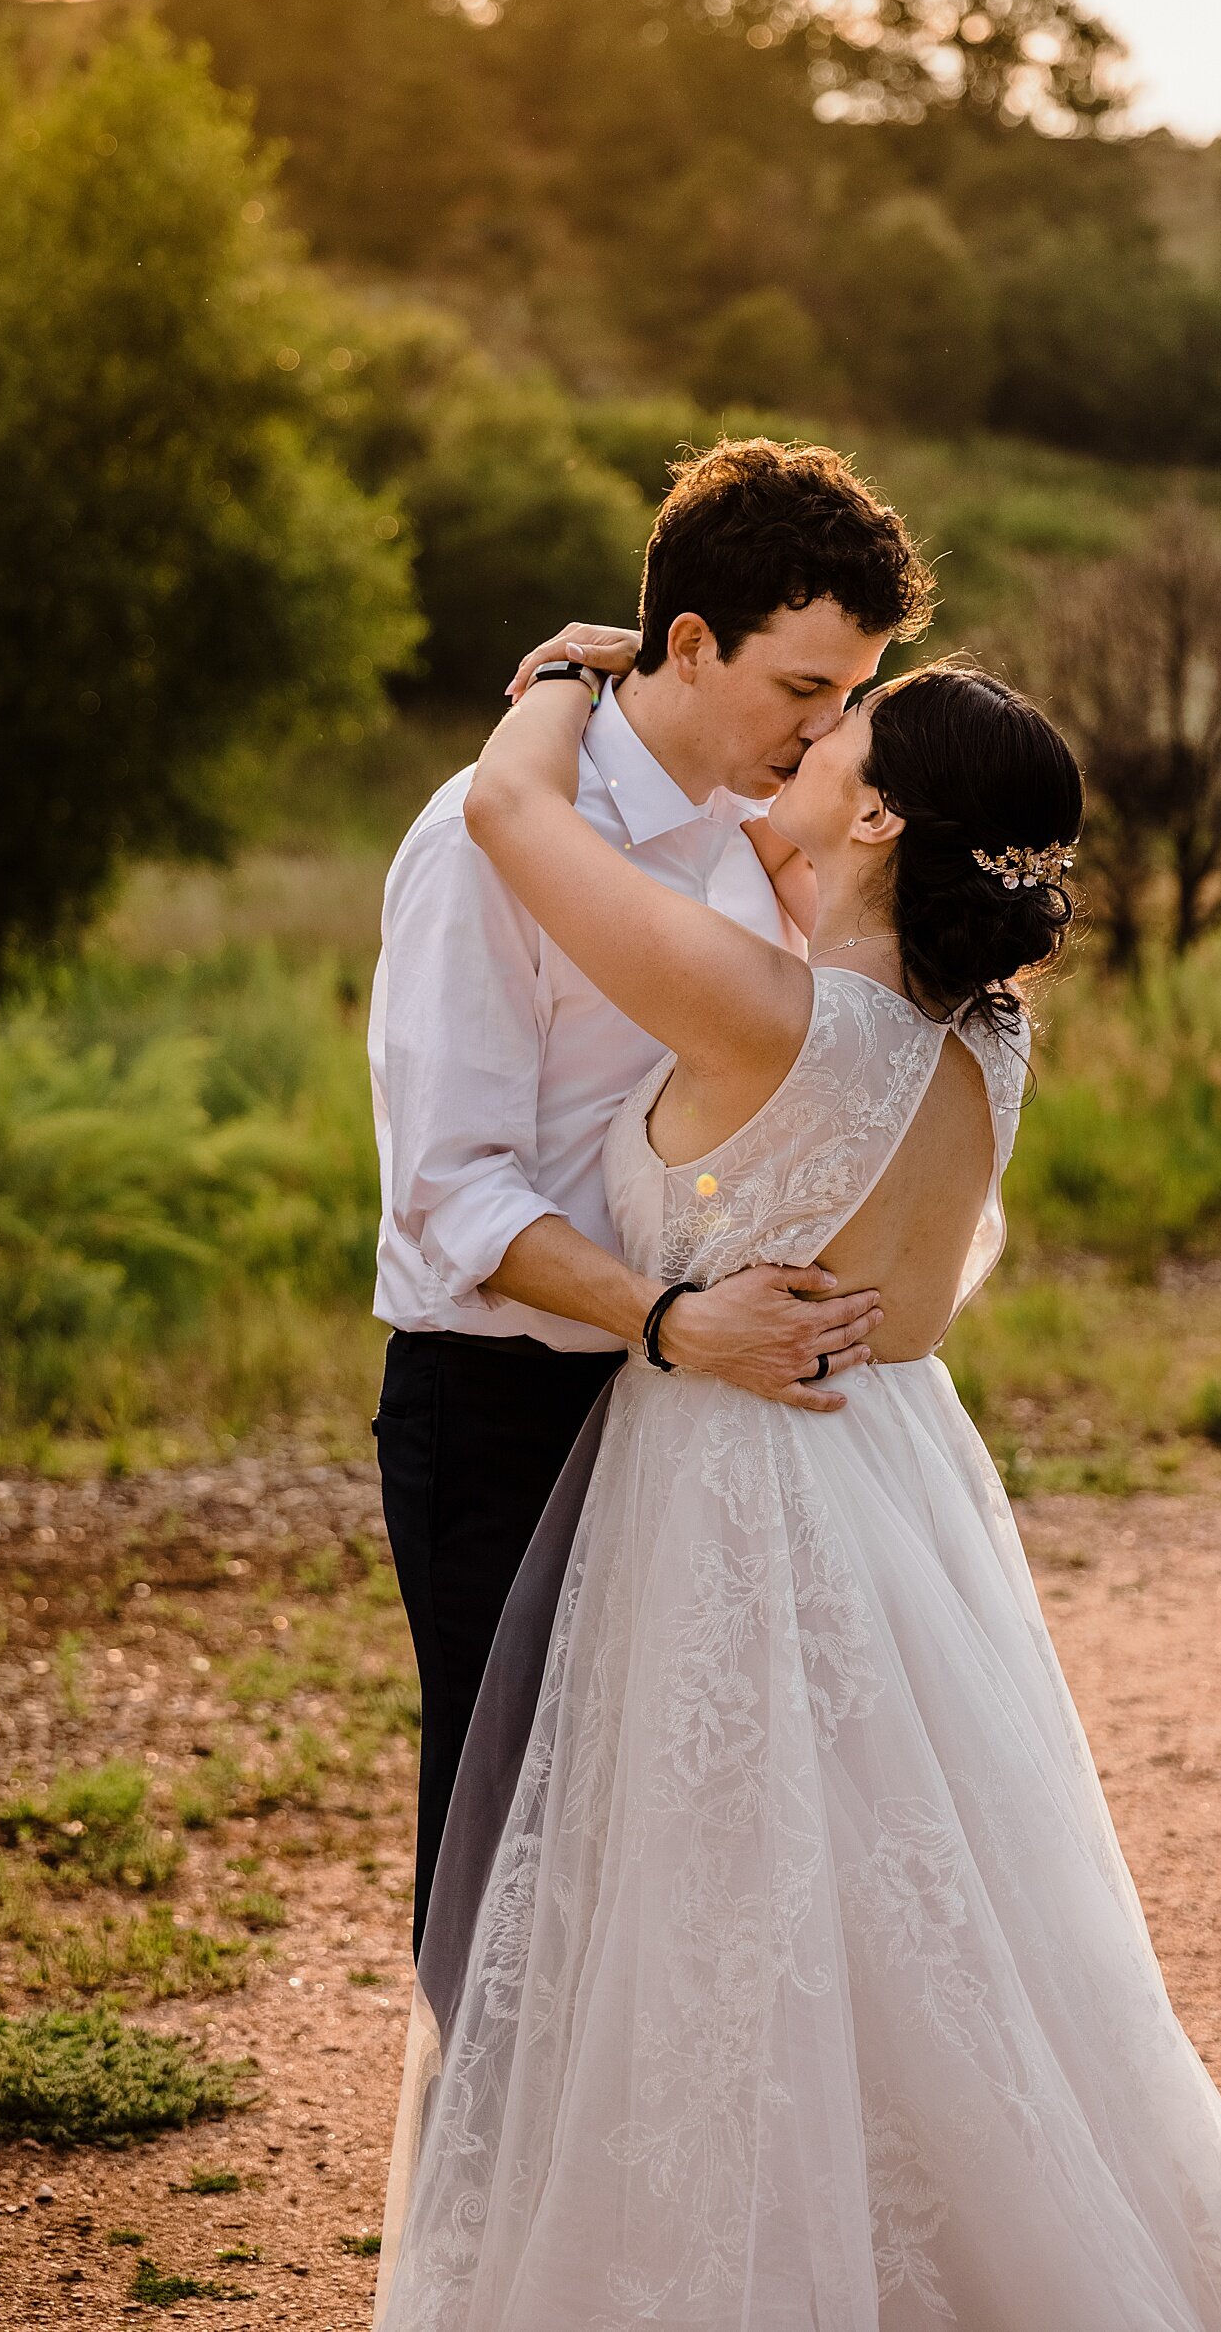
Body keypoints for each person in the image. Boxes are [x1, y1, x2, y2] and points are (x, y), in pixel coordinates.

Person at [372, 652, 1221, 2332]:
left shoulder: (766, 1015)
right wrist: (790, 837)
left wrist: (551, 679)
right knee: (929, 1905)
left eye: (839, 730)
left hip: (729, 1476)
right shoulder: (987, 1033)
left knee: (719, 1913)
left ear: (887, 807)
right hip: (902, 1476)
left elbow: (518, 816)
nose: (813, 735)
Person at [368, 439, 934, 1952]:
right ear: (689, 643)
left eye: (851, 696)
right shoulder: (478, 845)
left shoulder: (761, 846)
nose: (831, 729)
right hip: (501, 1406)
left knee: (680, 1856)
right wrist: (675, 1320)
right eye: (805, 688)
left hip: (691, 1414)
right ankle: (476, 2199)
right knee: (508, 1855)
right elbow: (448, 1193)